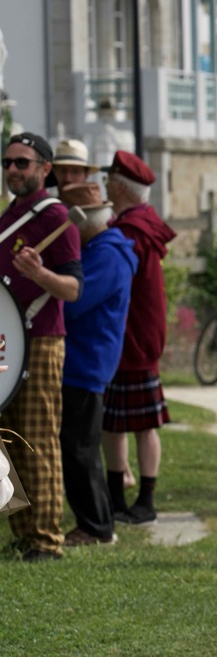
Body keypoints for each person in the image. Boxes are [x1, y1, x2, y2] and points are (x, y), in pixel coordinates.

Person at [0, 132, 83, 562]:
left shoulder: (57, 219)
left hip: (41, 339)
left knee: (37, 440)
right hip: (5, 343)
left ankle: (47, 539)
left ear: (44, 169)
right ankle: (22, 531)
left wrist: (40, 274)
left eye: (22, 163)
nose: (12, 170)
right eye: (7, 163)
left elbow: (72, 289)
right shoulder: (7, 218)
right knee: (4, 444)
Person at [59, 183, 136, 547]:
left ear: (84, 223)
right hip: (85, 359)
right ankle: (97, 522)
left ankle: (96, 526)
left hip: (86, 362)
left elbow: (74, 302)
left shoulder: (106, 255)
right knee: (79, 447)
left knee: (80, 449)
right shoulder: (102, 250)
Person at [101, 151, 176, 525]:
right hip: (137, 335)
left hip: (130, 337)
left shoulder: (131, 231)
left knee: (130, 424)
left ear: (120, 187)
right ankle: (124, 497)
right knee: (120, 423)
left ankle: (141, 501)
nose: (105, 187)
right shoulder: (142, 223)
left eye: (109, 181)